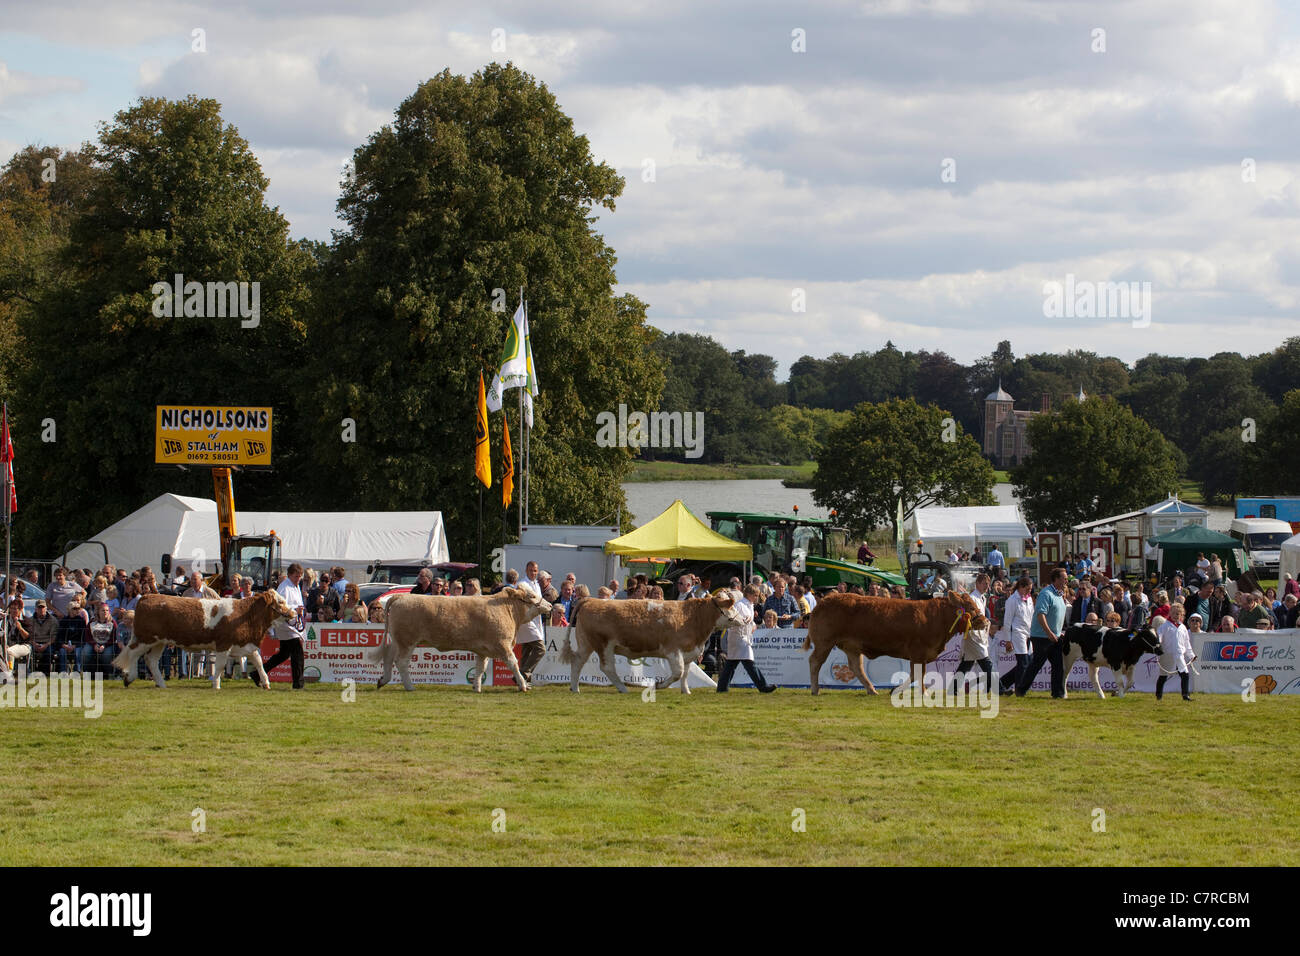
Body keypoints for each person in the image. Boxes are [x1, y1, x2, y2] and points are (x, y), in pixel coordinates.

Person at [1016, 567, 1069, 698]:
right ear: (1056, 579)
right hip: (1042, 636)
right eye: (1064, 578)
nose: (1067, 580)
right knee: (1036, 665)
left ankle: (1058, 693)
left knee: (1058, 665)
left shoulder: (1059, 595)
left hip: (1054, 636)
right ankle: (1021, 690)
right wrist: (1049, 632)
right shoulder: (1046, 594)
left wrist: (1057, 632)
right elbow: (1040, 615)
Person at [716, 585, 776, 693]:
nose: (757, 597)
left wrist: (752, 624)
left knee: (731, 664)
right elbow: (732, 620)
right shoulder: (739, 605)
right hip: (738, 638)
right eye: (755, 595)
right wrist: (744, 621)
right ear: (748, 594)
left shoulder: (750, 605)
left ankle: (722, 688)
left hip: (744, 638)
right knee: (749, 663)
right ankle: (763, 686)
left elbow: (751, 622)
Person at [263, 563, 307, 689]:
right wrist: (294, 610)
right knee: (298, 654)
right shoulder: (284, 588)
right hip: (286, 625)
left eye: (299, 576)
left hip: (294, 624)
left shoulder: (296, 586)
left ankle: (258, 673)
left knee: (283, 654)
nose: (298, 579)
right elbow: (279, 606)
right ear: (289, 575)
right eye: (295, 576)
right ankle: (298, 683)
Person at [952, 573, 994, 694]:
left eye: (988, 584)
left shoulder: (983, 598)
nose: (987, 586)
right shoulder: (972, 598)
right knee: (987, 663)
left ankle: (953, 688)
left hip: (980, 635)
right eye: (984, 584)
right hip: (973, 635)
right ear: (978, 584)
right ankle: (995, 689)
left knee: (966, 664)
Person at [997, 577, 1034, 695]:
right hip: (1017, 633)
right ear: (1021, 587)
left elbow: (1031, 617)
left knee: (1027, 662)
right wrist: (1008, 640)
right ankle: (1019, 689)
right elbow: (1007, 622)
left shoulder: (1029, 599)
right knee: (1023, 662)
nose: (1029, 592)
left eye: (1030, 590)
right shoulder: (1012, 600)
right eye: (1027, 589)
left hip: (1028, 633)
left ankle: (1002, 683)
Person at [514, 561, 546, 686]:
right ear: (526, 571)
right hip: (526, 621)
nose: (533, 573)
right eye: (531, 570)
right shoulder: (522, 584)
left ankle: (523, 682)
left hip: (535, 620)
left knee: (527, 651)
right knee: (540, 649)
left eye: (535, 570)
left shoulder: (537, 585)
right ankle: (522, 675)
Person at [1155, 605, 1194, 701]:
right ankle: (1158, 695)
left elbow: (1186, 643)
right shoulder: (1164, 626)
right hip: (1167, 654)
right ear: (1170, 613)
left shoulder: (1183, 627)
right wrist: (1158, 645)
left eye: (1178, 614)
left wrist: (1191, 655)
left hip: (1179, 655)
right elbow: (1159, 637)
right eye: (1173, 613)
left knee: (1185, 674)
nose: (1176, 616)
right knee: (1163, 675)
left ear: (1181, 615)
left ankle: (1185, 695)